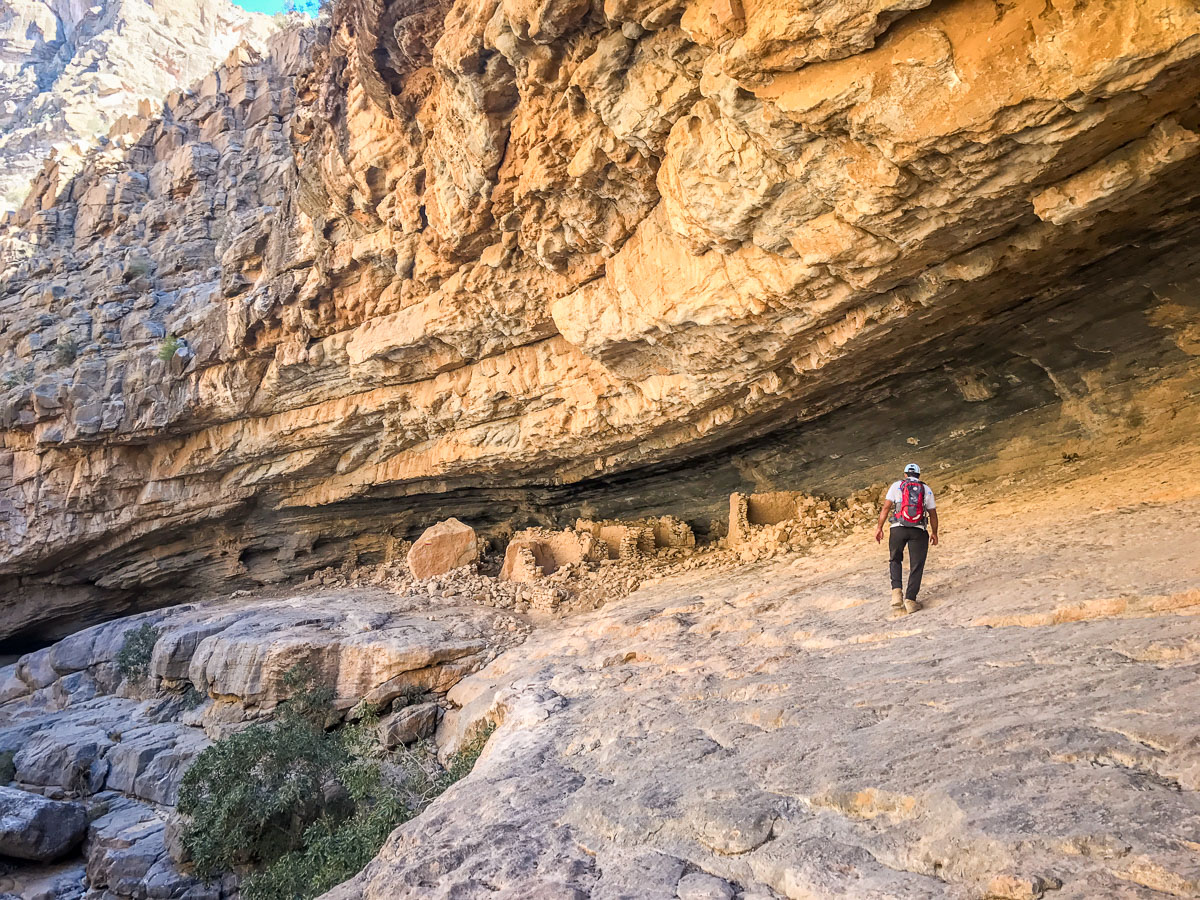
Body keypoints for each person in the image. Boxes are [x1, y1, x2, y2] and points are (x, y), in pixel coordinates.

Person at [874, 463, 938, 614]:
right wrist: (934, 532)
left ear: (905, 475)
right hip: (918, 530)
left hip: (897, 528)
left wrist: (879, 527)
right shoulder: (926, 489)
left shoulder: (896, 486)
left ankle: (896, 593)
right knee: (917, 565)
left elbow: (886, 508)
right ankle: (910, 600)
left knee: (895, 559)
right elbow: (933, 514)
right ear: (919, 475)